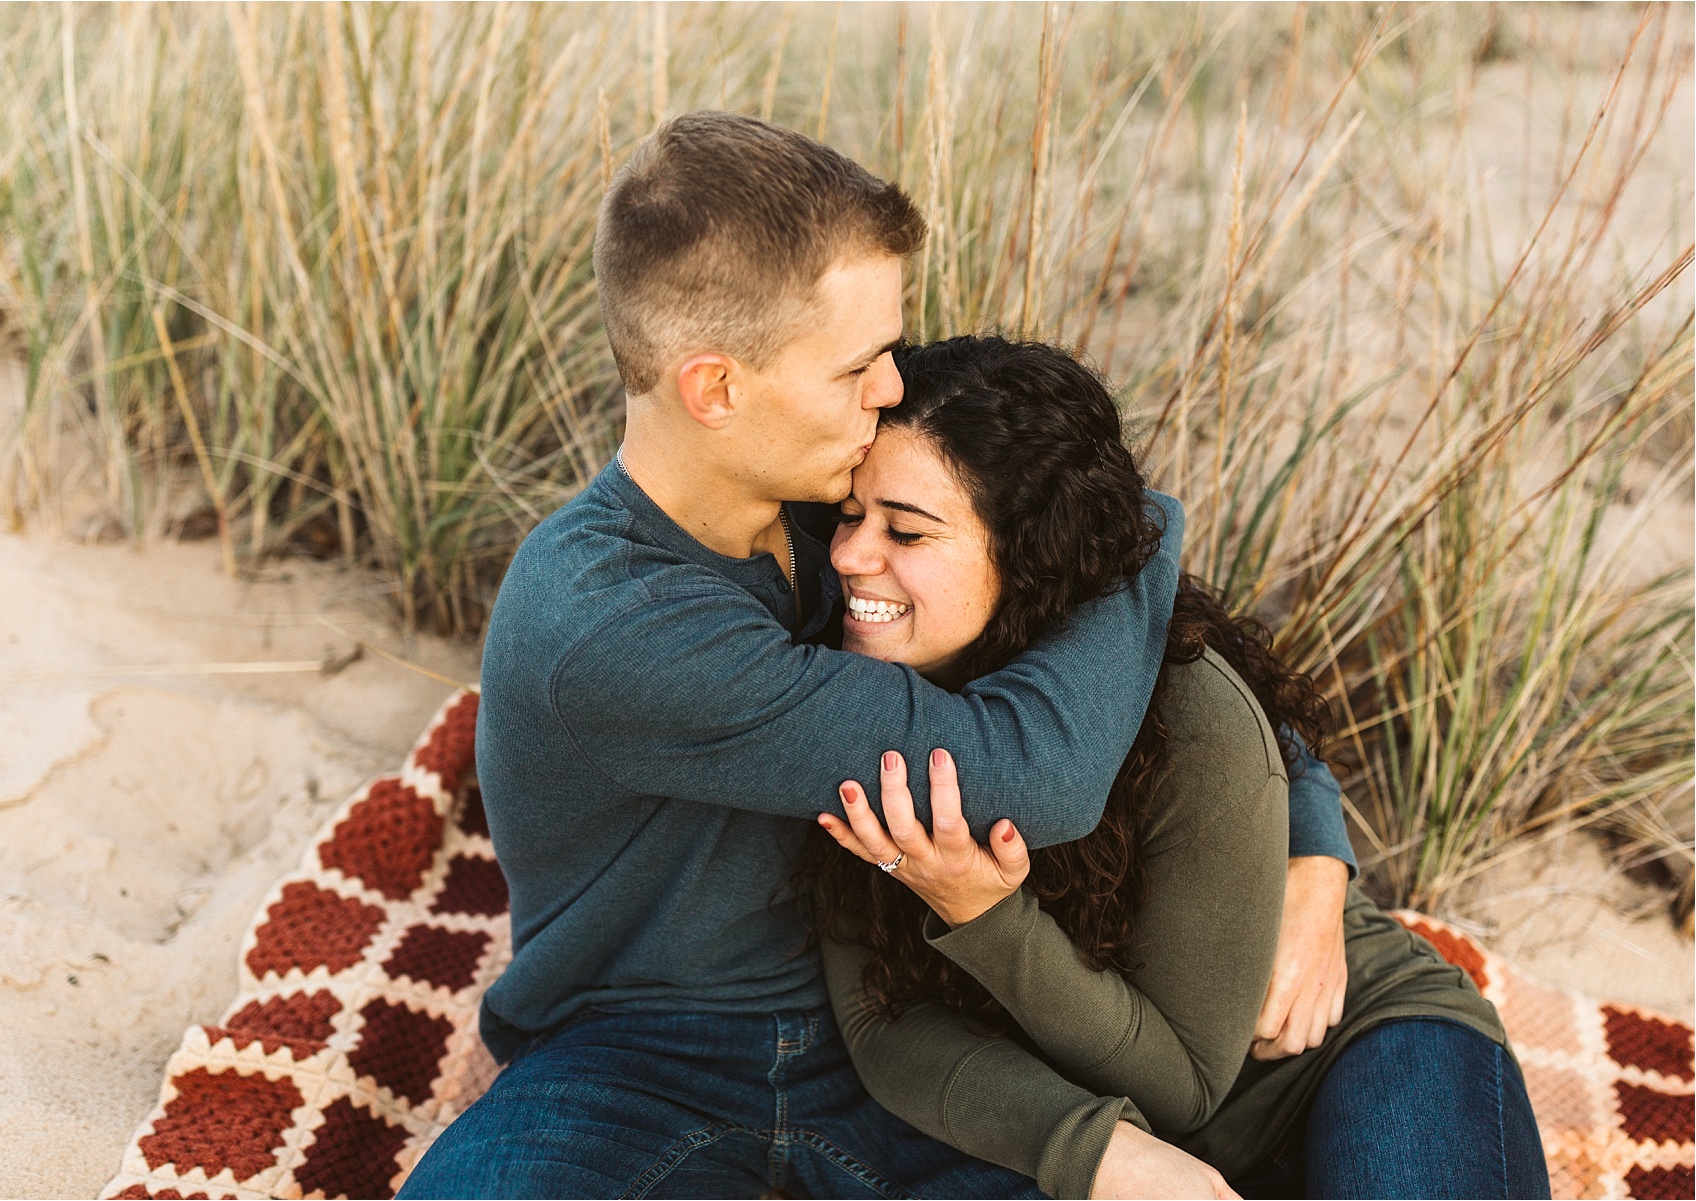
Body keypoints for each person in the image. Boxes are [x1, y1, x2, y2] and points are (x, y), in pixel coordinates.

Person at [400, 113, 1358, 1199]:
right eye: (858, 366)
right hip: (638, 1057)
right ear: (715, 389)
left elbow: (1170, 663)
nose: (892, 389)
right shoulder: (607, 623)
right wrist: (1138, 524)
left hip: (904, 1039)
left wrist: (1315, 852)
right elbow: (1027, 774)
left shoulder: (845, 511)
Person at [808, 336, 1552, 1200]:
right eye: (849, 515)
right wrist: (1085, 1146)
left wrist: (984, 913)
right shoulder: (840, 688)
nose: (850, 555)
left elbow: (1186, 1086)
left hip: (1343, 1050)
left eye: (905, 529)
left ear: (1027, 555)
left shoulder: (1189, 715)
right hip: (1139, 1150)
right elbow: (880, 1019)